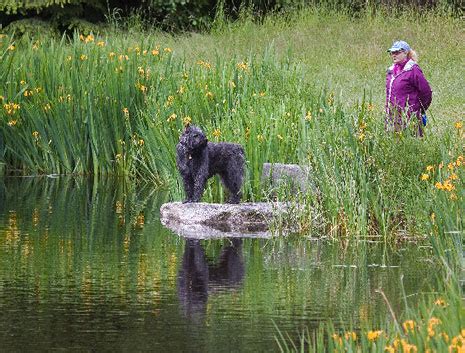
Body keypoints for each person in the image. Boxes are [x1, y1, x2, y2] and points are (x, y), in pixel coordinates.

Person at [385, 40, 432, 136]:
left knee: (413, 143)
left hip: (410, 116)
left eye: (397, 52)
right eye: (392, 53)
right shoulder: (390, 71)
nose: (394, 55)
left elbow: (426, 92)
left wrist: (419, 109)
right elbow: (388, 94)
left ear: (406, 53)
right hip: (393, 116)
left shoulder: (413, 70)